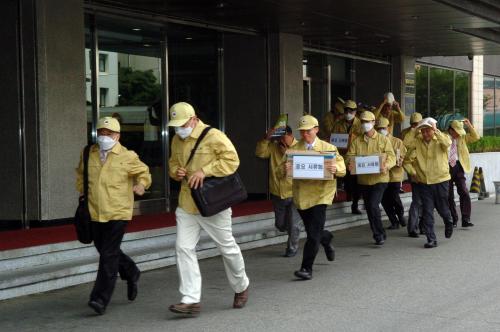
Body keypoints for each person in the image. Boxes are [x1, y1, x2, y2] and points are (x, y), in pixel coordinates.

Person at [167, 102, 249, 315]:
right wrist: (176, 172)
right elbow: (173, 162)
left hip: (213, 202)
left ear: (193, 119)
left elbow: (232, 161)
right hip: (187, 202)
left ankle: (241, 287)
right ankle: (191, 299)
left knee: (227, 247)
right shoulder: (176, 139)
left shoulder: (214, 135)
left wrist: (205, 170)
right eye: (176, 125)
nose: (179, 129)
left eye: (182, 124)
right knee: (183, 248)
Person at [76, 116, 152, 315]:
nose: (104, 136)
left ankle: (100, 299)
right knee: (106, 251)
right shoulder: (88, 153)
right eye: (101, 132)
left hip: (118, 212)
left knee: (108, 255)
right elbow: (80, 174)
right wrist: (82, 190)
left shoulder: (128, 156)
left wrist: (141, 185)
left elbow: (144, 173)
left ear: (117, 136)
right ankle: (131, 271)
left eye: (109, 133)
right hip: (95, 212)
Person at [283, 115, 346, 280]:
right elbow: (280, 171)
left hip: (321, 195)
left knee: (312, 235)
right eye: (302, 131)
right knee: (314, 231)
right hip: (302, 197)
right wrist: (285, 169)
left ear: (316, 129)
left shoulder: (328, 148)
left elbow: (342, 167)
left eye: (308, 131)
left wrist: (335, 168)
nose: (305, 134)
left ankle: (306, 268)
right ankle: (326, 238)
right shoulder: (294, 150)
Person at [346, 111, 396, 245]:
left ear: (374, 122)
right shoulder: (357, 141)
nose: (365, 124)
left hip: (380, 179)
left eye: (368, 122)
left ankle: (379, 234)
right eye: (363, 122)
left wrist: (387, 165)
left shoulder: (383, 140)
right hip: (364, 180)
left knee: (373, 205)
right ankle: (377, 233)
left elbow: (392, 157)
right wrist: (350, 164)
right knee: (369, 207)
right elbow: (349, 156)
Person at [403, 117, 454, 248]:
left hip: (441, 180)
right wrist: (413, 173)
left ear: (433, 129)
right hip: (424, 182)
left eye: (428, 131)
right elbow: (406, 153)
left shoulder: (441, 139)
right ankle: (431, 239)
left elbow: (448, 144)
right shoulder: (417, 141)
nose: (425, 134)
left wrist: (436, 131)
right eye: (423, 131)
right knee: (427, 210)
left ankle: (448, 220)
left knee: (442, 208)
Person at [256, 125, 301, 257]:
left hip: (295, 192)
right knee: (280, 224)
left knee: (294, 224)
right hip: (277, 192)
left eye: (283, 136)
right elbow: (260, 153)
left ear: (290, 135)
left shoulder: (299, 147)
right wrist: (266, 139)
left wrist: (287, 152)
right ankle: (293, 231)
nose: (281, 139)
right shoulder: (273, 146)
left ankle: (292, 247)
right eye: (278, 136)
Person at [329, 99, 363, 215]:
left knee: (356, 181)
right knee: (347, 180)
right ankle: (349, 197)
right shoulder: (338, 123)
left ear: (355, 111)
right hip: (342, 156)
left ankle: (355, 204)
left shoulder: (360, 124)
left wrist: (351, 137)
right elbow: (333, 139)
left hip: (355, 156)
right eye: (346, 110)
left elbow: (362, 139)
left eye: (351, 111)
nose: (348, 113)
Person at [447, 119, 479, 228]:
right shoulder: (443, 137)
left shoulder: (462, 137)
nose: (458, 134)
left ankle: (465, 219)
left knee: (464, 192)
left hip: (459, 166)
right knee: (448, 195)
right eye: (456, 131)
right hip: (445, 168)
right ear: (451, 130)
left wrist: (469, 125)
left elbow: (476, 137)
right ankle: (453, 219)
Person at [376, 117, 407, 230]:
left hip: (394, 175)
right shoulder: (376, 142)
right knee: (384, 199)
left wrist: (399, 160)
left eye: (383, 128)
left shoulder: (397, 142)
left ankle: (400, 215)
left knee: (394, 197)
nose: (381, 130)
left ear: (389, 128)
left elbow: (403, 156)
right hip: (381, 176)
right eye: (379, 128)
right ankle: (393, 221)